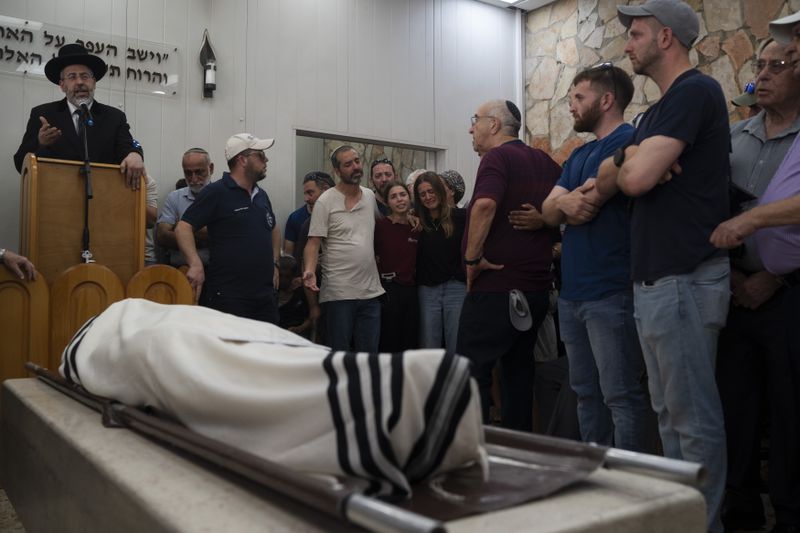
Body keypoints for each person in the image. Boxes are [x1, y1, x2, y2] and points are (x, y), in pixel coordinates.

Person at [595, 2, 730, 530]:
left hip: (684, 277)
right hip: (657, 281)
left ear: (666, 37)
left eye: (635, 34)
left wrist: (629, 166)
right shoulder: (654, 113)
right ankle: (682, 520)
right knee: (670, 419)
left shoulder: (695, 92)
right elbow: (608, 178)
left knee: (691, 420)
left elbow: (630, 183)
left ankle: (702, 524)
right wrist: (630, 159)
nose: (627, 45)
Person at [713, 37, 800, 533]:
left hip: (788, 294)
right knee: (733, 411)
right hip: (732, 292)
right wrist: (733, 275)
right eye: (759, 65)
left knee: (790, 416)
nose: (762, 76)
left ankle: (788, 516)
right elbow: (711, 208)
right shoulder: (733, 137)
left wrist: (774, 277)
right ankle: (739, 514)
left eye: (777, 66)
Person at [541, 65, 650, 452]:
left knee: (620, 395)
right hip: (573, 294)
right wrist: (566, 200)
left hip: (612, 290)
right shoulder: (580, 153)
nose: (571, 106)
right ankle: (596, 479)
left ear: (606, 100)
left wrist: (569, 200)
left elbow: (589, 201)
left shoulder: (630, 141)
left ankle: (629, 484)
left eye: (578, 97)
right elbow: (549, 211)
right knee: (585, 392)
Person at [457, 99, 561, 431]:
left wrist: (472, 260)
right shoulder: (546, 162)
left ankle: (471, 449)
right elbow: (563, 209)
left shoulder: (497, 157)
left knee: (472, 370)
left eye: (476, 120)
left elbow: (485, 205)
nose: (471, 128)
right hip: (535, 290)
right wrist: (545, 222)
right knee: (519, 373)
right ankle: (520, 449)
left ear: (494, 125)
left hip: (496, 288)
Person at [176, 133, 280, 323]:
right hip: (230, 297)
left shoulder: (261, 195)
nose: (266, 159)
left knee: (266, 350)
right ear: (242, 160)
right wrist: (195, 263)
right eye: (260, 155)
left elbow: (272, 227)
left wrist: (274, 262)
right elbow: (183, 227)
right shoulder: (217, 192)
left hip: (264, 297)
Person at [14, 43, 145, 189]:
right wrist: (39, 142)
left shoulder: (114, 117)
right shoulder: (43, 114)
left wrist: (135, 153)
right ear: (62, 85)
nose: (80, 82)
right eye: (72, 77)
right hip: (55, 202)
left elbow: (129, 145)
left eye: (85, 76)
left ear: (94, 82)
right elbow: (20, 164)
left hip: (103, 201)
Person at [303, 146, 384, 352]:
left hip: (370, 293)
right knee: (339, 357)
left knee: (369, 357)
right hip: (339, 295)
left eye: (357, 161)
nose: (355, 167)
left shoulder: (369, 196)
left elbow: (384, 226)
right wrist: (310, 270)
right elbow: (313, 242)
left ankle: (364, 386)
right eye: (348, 164)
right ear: (337, 171)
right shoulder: (325, 201)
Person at [414, 172, 466, 353]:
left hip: (456, 288)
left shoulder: (461, 217)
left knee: (456, 343)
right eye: (422, 194)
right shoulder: (417, 221)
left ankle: (455, 381)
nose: (428, 197)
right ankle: (432, 382)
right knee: (429, 344)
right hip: (428, 290)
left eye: (431, 191)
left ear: (440, 191)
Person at [374, 181, 419, 352]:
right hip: (387, 290)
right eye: (393, 197)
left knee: (410, 341)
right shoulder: (380, 226)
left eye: (402, 195)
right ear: (387, 202)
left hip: (411, 291)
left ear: (409, 197)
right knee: (389, 341)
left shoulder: (417, 227)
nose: (399, 200)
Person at [157, 148, 214, 268]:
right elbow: (162, 236)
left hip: (214, 270)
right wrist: (202, 236)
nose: (193, 178)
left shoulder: (222, 196)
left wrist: (181, 228)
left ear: (211, 168)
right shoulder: (174, 197)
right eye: (188, 173)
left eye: (199, 172)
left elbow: (225, 235)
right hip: (180, 269)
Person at [283, 171, 334, 257]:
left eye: (310, 193)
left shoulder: (342, 215)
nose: (306, 199)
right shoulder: (296, 218)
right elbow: (288, 258)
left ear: (326, 191)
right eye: (305, 193)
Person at [277, 255, 311, 339]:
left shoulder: (301, 293)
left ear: (293, 276)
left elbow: (311, 317)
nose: (283, 280)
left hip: (295, 336)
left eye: (287, 276)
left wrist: (298, 329)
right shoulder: (270, 291)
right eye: (281, 275)